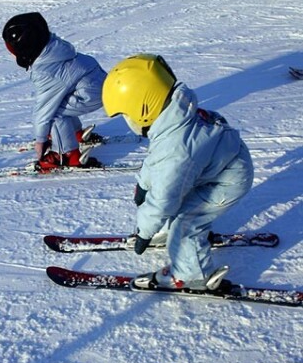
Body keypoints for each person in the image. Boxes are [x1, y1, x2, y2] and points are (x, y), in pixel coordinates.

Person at [102, 54, 254, 291]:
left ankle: (193, 275)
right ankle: (167, 232)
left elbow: (164, 197)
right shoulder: (175, 119)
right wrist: (144, 183)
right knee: (177, 202)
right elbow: (157, 160)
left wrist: (145, 231)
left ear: (143, 108)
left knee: (186, 222)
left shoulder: (177, 149)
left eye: (126, 114)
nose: (126, 120)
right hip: (218, 166)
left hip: (227, 180)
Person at [2, 12, 106, 170]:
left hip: (91, 93)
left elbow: (44, 110)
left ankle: (66, 155)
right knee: (62, 101)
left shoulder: (46, 71)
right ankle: (73, 133)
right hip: (96, 84)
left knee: (53, 113)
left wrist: (40, 140)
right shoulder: (54, 48)